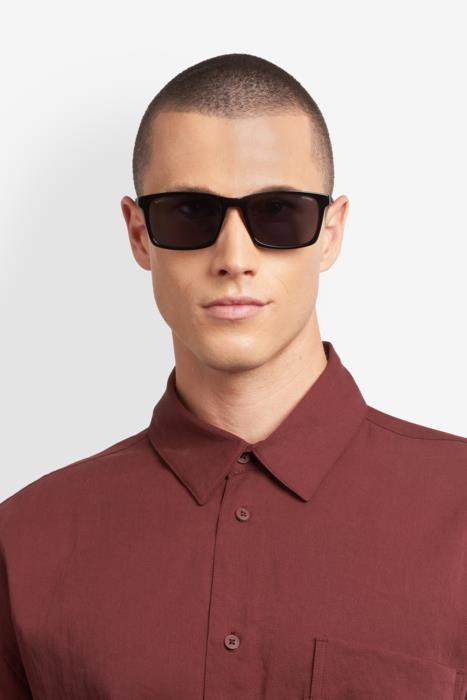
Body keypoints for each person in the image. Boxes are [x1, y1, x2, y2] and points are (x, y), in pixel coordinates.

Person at [1, 52, 466, 700]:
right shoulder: (25, 541)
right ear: (139, 234)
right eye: (190, 213)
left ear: (331, 233)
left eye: (277, 213)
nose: (234, 258)